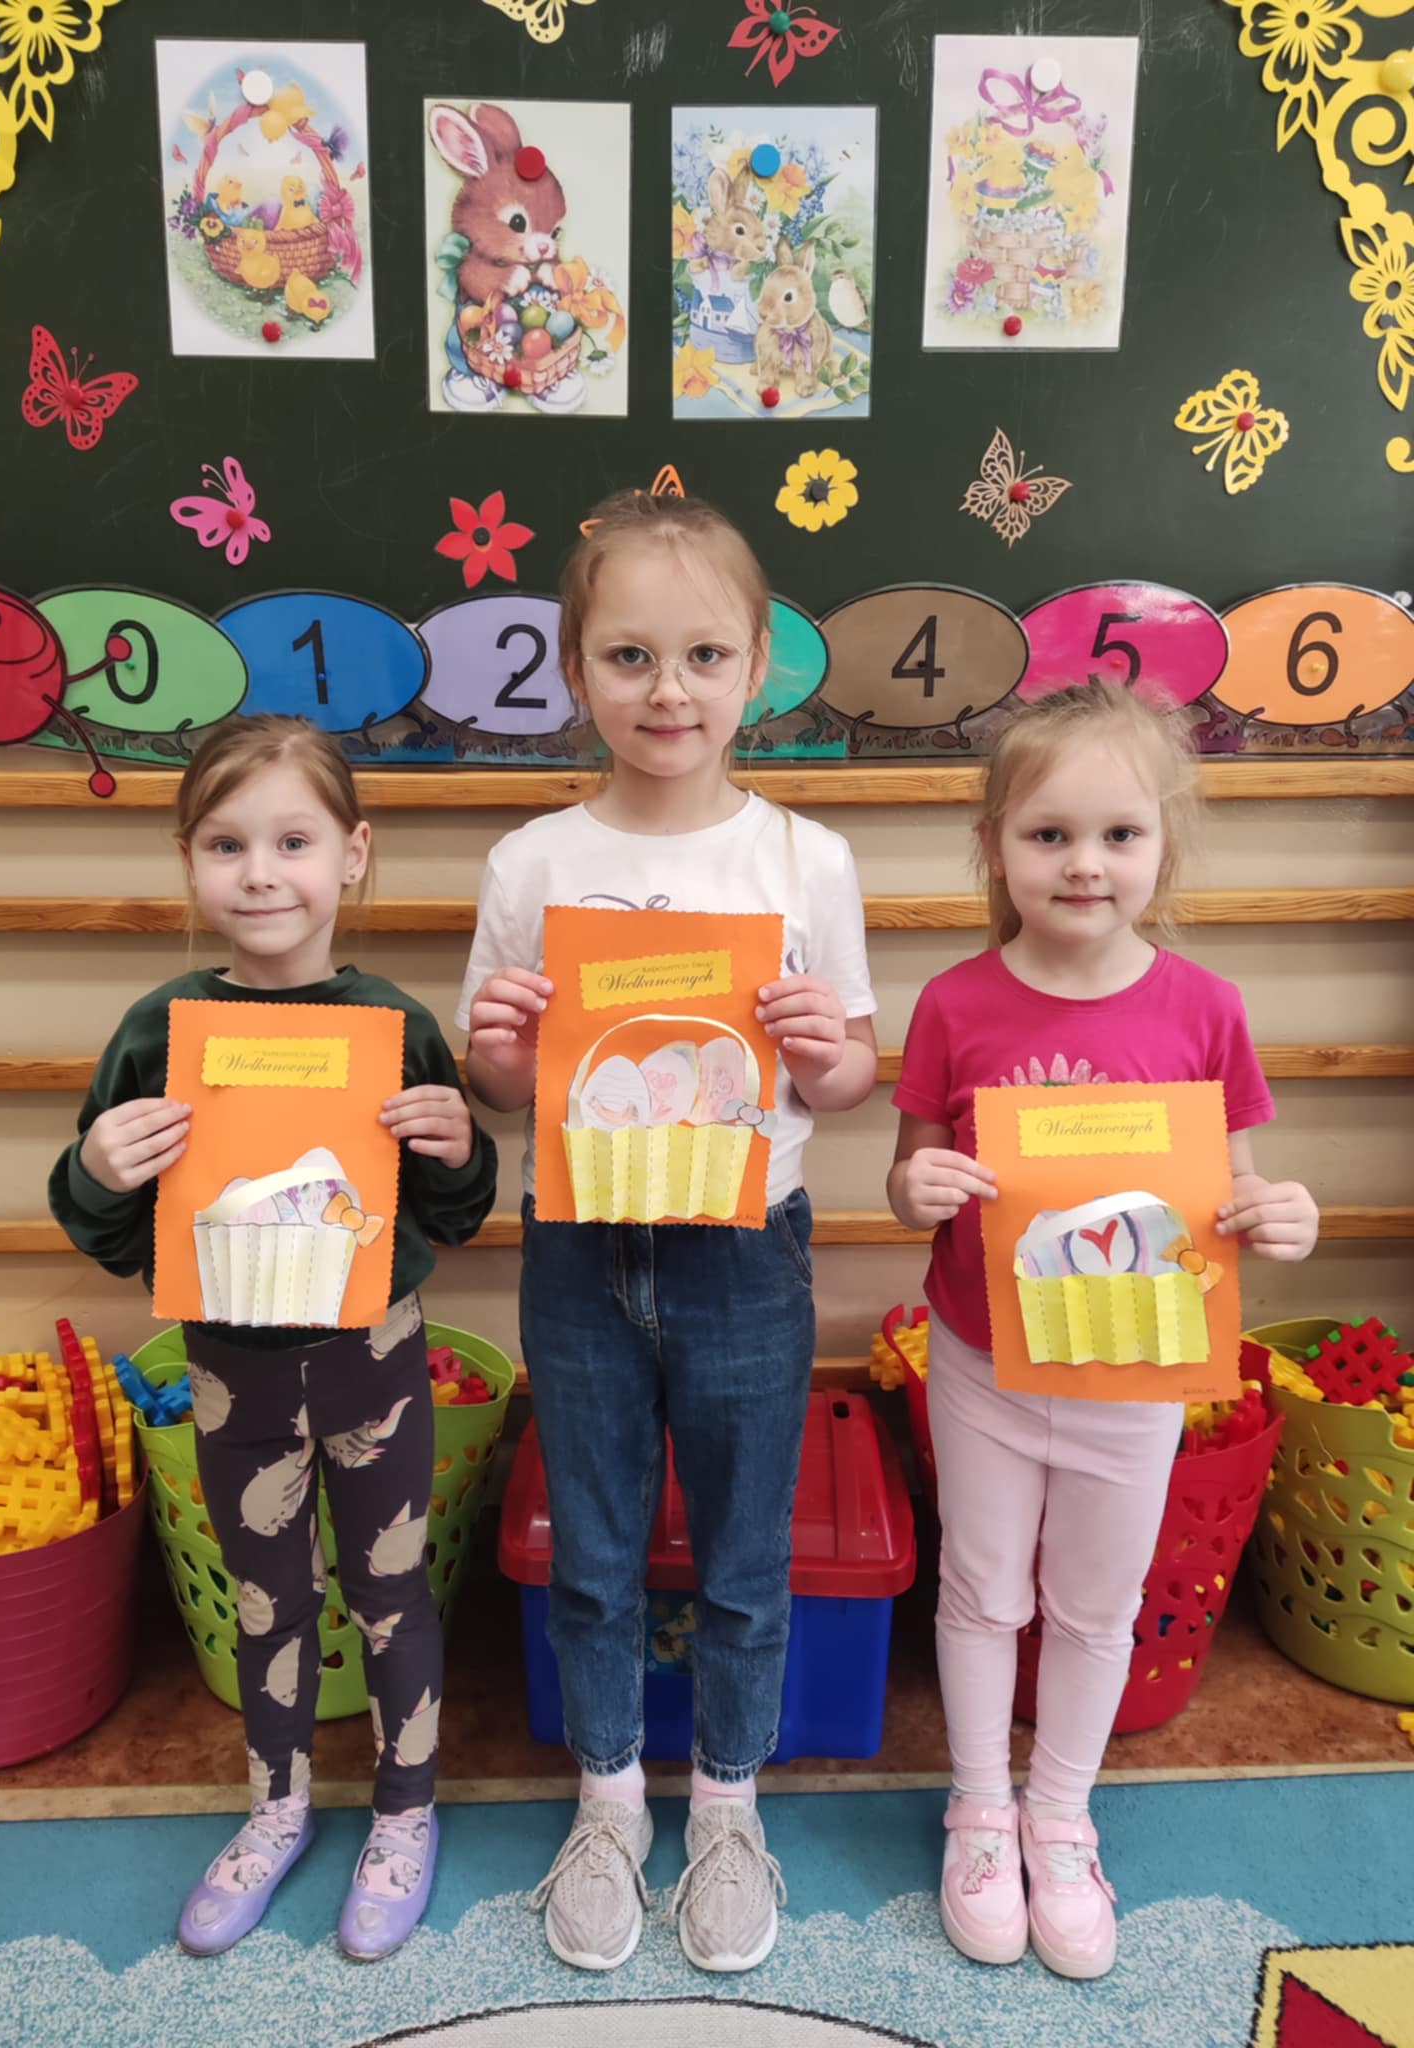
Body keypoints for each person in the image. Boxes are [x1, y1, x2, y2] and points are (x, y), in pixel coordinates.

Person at [458, 490, 878, 1974]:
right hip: (580, 1251)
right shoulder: (531, 863)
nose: (668, 690)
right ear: (577, 668)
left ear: (758, 664)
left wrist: (825, 1048)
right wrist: (503, 1050)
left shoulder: (806, 860)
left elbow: (850, 1075)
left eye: (704, 655)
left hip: (745, 1248)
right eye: (629, 656)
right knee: (596, 1548)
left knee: (746, 1553)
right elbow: (498, 1085)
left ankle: (729, 1806)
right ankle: (608, 1802)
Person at [887, 682, 1318, 1979]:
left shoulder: (1205, 1007)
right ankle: (980, 1808)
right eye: (1050, 834)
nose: (1085, 863)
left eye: (1120, 834)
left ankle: (1061, 1818)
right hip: (981, 1362)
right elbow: (910, 1170)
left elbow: (1232, 1190)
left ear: (1164, 845)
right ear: (995, 846)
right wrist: (915, 1187)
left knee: (1095, 1605)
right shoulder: (955, 1003)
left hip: (1133, 1378)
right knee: (980, 1588)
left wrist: (1277, 1215)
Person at [49, 714, 497, 1960]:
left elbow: (454, 1210)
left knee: (394, 1592)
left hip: (374, 1361)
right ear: (187, 858)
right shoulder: (159, 1029)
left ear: (353, 853)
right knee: (267, 1600)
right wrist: (97, 1165)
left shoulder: (396, 1025)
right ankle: (278, 1806)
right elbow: (105, 1226)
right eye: (227, 843)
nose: (261, 873)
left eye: (293, 841)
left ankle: (404, 1811)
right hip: (229, 1372)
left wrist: (459, 1145)